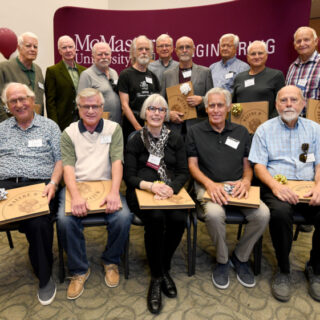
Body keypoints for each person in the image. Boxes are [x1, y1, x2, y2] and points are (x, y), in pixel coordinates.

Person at [186, 87, 269, 290]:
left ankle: (240, 257)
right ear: (206, 109)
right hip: (208, 185)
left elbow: (248, 166)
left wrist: (246, 181)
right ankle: (222, 261)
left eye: (220, 105)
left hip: (237, 187)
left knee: (263, 214)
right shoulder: (194, 131)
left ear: (229, 108)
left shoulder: (241, 132)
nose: (216, 110)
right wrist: (209, 184)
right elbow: (192, 166)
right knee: (214, 215)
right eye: (211, 105)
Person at [57, 88, 132, 300]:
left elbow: (117, 161)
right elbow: (68, 168)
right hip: (77, 184)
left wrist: (115, 192)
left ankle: (111, 260)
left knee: (124, 216)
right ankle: (79, 270)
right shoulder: (69, 132)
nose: (90, 110)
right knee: (64, 220)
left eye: (95, 106)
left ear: (102, 108)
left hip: (107, 184)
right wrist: (76, 196)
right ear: (78, 108)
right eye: (85, 106)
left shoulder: (114, 128)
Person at [249, 85, 320, 302]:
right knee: (279, 214)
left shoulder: (315, 129)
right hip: (277, 187)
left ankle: (315, 269)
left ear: (303, 103)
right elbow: (259, 166)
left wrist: (319, 186)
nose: (288, 104)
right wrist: (276, 187)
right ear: (276, 105)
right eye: (283, 100)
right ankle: (284, 269)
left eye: (293, 100)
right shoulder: (264, 129)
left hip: (309, 186)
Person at [124, 94, 189, 314]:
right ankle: (157, 276)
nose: (156, 113)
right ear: (145, 112)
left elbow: (183, 171)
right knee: (156, 218)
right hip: (143, 191)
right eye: (151, 108)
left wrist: (172, 188)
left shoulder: (175, 139)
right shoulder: (135, 139)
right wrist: (151, 187)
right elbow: (129, 176)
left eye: (161, 110)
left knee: (179, 219)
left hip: (169, 190)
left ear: (166, 114)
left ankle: (161, 267)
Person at [0, 82, 62, 305]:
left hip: (40, 185)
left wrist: (54, 183)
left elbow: (60, 160)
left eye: (22, 99)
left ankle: (45, 278)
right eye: (13, 101)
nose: (19, 104)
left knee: (38, 223)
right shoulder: (1, 129)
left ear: (32, 100)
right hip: (5, 186)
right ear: (8, 106)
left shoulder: (50, 127)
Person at [161, 36, 213, 135]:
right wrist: (168, 115)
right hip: (173, 129)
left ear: (193, 49)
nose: (184, 50)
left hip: (198, 128)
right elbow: (161, 102)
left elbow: (212, 99)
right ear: (176, 51)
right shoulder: (167, 75)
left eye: (188, 47)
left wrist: (201, 100)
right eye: (181, 48)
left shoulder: (205, 72)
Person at [118, 35, 160, 142]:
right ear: (133, 52)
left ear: (151, 53)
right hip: (132, 126)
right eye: (140, 49)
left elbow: (157, 104)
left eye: (147, 49)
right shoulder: (125, 75)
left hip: (150, 126)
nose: (144, 52)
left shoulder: (153, 76)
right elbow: (124, 105)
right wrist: (138, 127)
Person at [233, 40, 285, 118]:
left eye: (260, 53)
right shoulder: (239, 77)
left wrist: (269, 123)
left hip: (267, 126)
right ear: (247, 57)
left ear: (266, 55)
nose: (257, 57)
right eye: (253, 54)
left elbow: (282, 103)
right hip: (242, 125)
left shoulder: (276, 75)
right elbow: (234, 104)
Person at [0, 32, 44, 121]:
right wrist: (6, 124)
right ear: (19, 48)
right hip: (11, 126)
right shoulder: (4, 68)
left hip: (36, 125)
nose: (32, 49)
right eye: (28, 46)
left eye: (35, 47)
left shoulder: (38, 70)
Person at [45, 35, 86, 131]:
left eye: (70, 47)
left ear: (75, 49)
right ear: (59, 51)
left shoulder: (84, 70)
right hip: (63, 120)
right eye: (64, 48)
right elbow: (50, 102)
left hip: (82, 118)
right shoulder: (52, 71)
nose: (68, 50)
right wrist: (54, 125)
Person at [78, 42, 121, 123]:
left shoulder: (114, 73)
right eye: (100, 54)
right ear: (93, 57)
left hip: (116, 123)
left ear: (111, 55)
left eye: (106, 54)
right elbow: (80, 103)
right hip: (97, 125)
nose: (104, 57)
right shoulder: (86, 75)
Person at [286, 26, 320, 114]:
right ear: (294, 46)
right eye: (298, 41)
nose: (302, 44)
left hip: (315, 122)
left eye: (306, 40)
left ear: (316, 41)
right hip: (293, 120)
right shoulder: (292, 67)